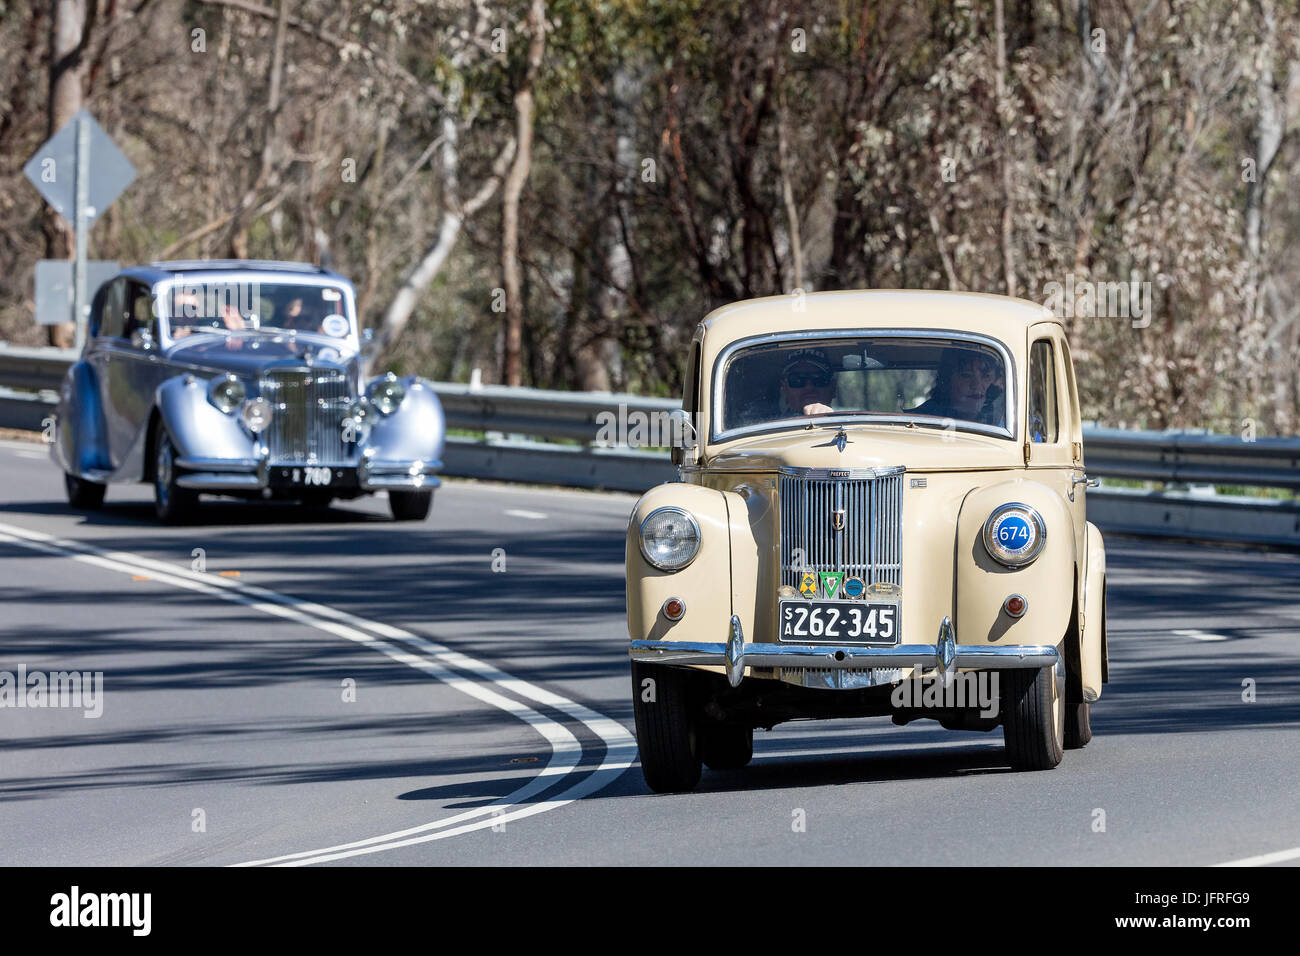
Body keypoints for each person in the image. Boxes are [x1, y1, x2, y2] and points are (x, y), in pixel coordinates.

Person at [911, 348, 1003, 425]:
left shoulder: (1002, 416)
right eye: (966, 375)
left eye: (986, 376)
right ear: (947, 380)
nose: (977, 385)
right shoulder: (923, 419)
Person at [778, 348, 836, 417]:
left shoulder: (848, 425)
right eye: (797, 380)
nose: (809, 387)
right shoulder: (768, 425)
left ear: (833, 388)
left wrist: (831, 418)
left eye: (819, 379)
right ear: (785, 389)